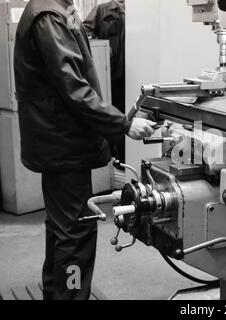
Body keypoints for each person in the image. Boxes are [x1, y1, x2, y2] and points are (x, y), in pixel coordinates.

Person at [14, 0, 154, 300]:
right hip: (63, 143)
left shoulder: (53, 9)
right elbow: (74, 88)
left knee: (61, 229)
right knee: (76, 235)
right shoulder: (48, 15)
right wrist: (123, 124)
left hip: (59, 141)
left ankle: (56, 293)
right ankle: (71, 295)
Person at [84, 0, 126, 164]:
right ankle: (114, 158)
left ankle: (124, 159)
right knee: (113, 118)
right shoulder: (102, 10)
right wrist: (98, 43)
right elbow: (83, 32)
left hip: (132, 76)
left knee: (128, 117)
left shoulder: (140, 12)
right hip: (112, 78)